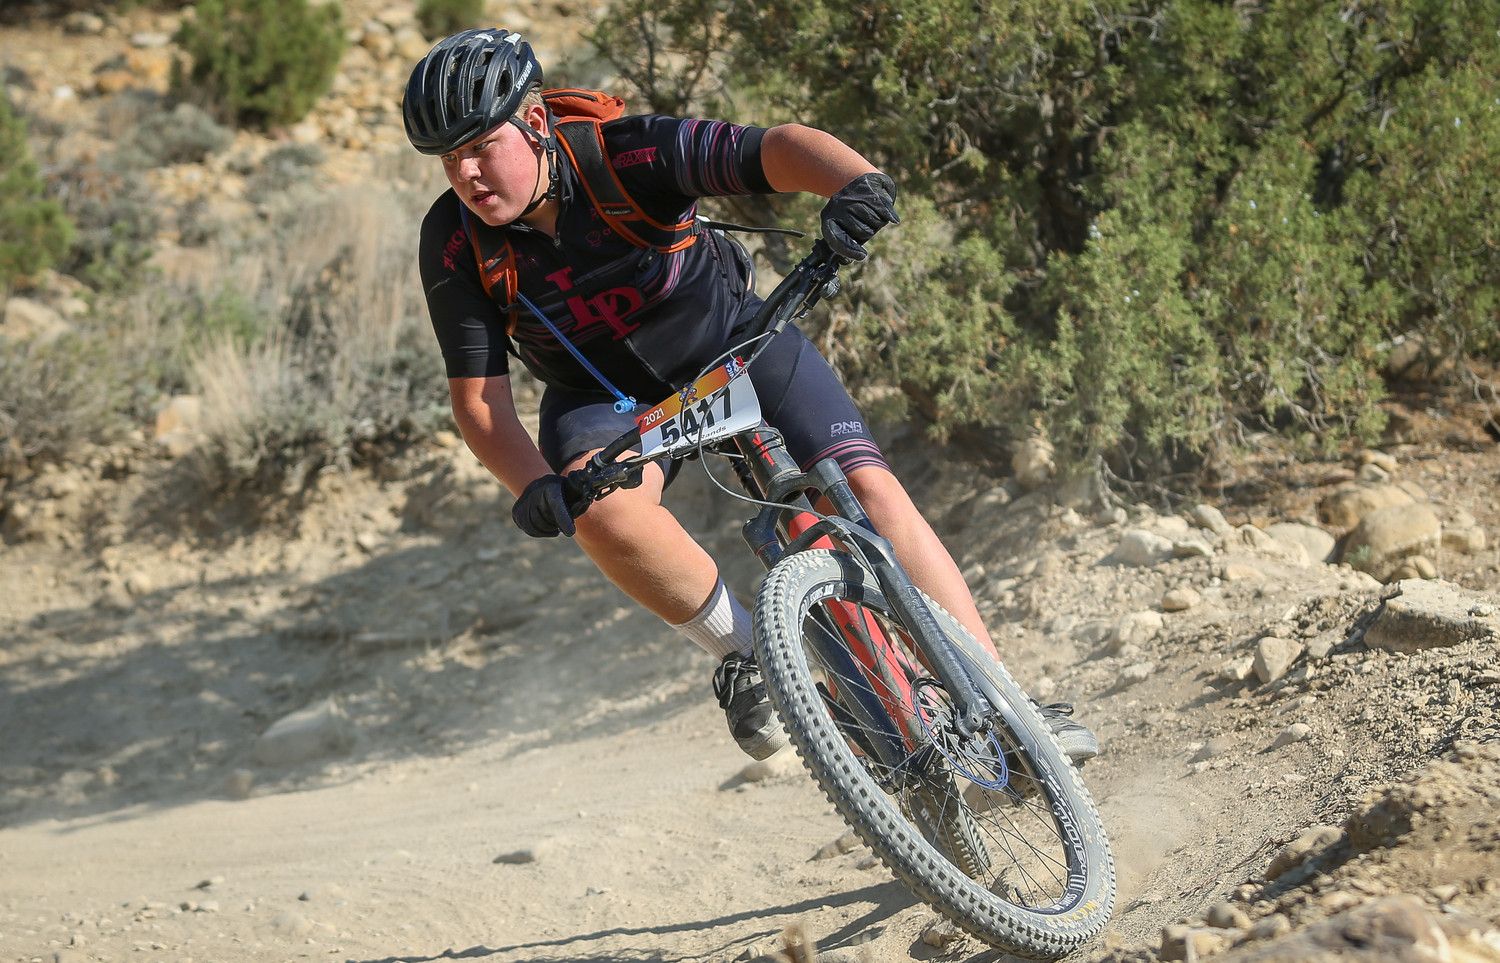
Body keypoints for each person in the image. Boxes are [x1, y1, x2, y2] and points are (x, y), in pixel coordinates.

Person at [406, 29, 1097, 764]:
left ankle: (1009, 710)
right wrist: (533, 485)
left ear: (536, 121)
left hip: (735, 342)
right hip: (607, 399)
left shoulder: (624, 155)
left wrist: (855, 183)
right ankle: (751, 656)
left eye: (482, 146)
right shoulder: (455, 241)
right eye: (449, 160)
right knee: (601, 515)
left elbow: (777, 148)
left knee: (867, 489)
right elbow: (480, 402)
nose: (467, 173)